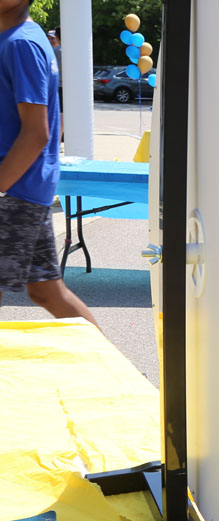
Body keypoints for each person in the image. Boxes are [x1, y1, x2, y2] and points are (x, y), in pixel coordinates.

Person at [0, 0, 98, 329]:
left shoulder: (21, 44)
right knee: (46, 291)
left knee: (45, 291)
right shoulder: (22, 37)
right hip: (23, 188)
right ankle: (108, 367)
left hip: (13, 190)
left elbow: (37, 132)